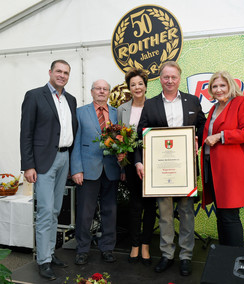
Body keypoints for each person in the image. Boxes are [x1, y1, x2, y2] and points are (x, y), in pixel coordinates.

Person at [135, 61, 206, 276]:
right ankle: (167, 254)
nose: (169, 81)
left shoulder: (193, 100)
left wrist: (197, 140)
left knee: (186, 213)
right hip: (160, 171)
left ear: (179, 77)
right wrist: (139, 160)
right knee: (165, 215)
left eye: (173, 77)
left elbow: (202, 125)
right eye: (165, 77)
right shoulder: (150, 104)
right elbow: (140, 135)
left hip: (185, 171)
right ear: (160, 78)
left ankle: (185, 256)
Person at [20, 59, 78, 280]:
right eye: (58, 71)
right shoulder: (34, 96)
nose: (62, 75)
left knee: (55, 211)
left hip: (64, 158)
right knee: (45, 211)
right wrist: (28, 165)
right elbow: (26, 132)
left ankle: (50, 252)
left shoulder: (70, 99)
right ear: (50, 72)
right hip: (44, 161)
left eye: (66, 73)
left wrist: (72, 162)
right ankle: (43, 260)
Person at [201, 71, 244, 247]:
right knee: (221, 214)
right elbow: (206, 135)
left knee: (229, 215)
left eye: (222, 85)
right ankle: (224, 256)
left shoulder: (241, 102)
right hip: (213, 168)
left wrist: (220, 136)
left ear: (230, 86)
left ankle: (234, 257)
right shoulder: (214, 108)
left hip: (231, 170)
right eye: (215, 86)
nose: (219, 89)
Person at [70, 79, 122, 265]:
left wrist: (122, 167)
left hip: (111, 170)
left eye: (105, 89)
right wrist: (76, 169)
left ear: (109, 93)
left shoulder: (117, 113)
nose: (101, 91)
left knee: (110, 210)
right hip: (87, 170)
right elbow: (74, 142)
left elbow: (123, 142)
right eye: (98, 88)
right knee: (85, 212)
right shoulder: (79, 113)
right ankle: (82, 248)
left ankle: (107, 247)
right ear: (91, 92)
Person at [117, 68, 156, 266]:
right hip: (131, 162)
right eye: (133, 84)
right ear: (129, 88)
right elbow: (117, 138)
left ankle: (146, 245)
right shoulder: (122, 109)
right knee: (135, 205)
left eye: (140, 83)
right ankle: (134, 245)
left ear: (145, 85)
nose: (137, 87)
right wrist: (120, 157)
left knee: (149, 205)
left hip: (153, 160)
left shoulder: (155, 106)